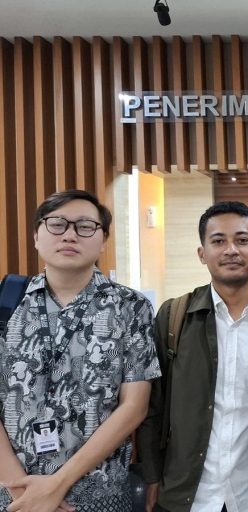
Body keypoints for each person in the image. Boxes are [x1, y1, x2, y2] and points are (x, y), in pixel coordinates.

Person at [0, 189, 160, 512]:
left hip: (99, 496)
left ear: (103, 241)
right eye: (57, 224)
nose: (70, 235)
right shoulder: (6, 301)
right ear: (36, 236)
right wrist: (21, 492)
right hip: (12, 494)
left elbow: (134, 406)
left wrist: (57, 486)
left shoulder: (131, 307)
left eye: (85, 226)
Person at [137, 202, 248, 512]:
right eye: (218, 241)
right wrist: (152, 476)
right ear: (202, 253)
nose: (231, 250)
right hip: (188, 493)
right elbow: (153, 406)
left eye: (242, 240)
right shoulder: (174, 316)